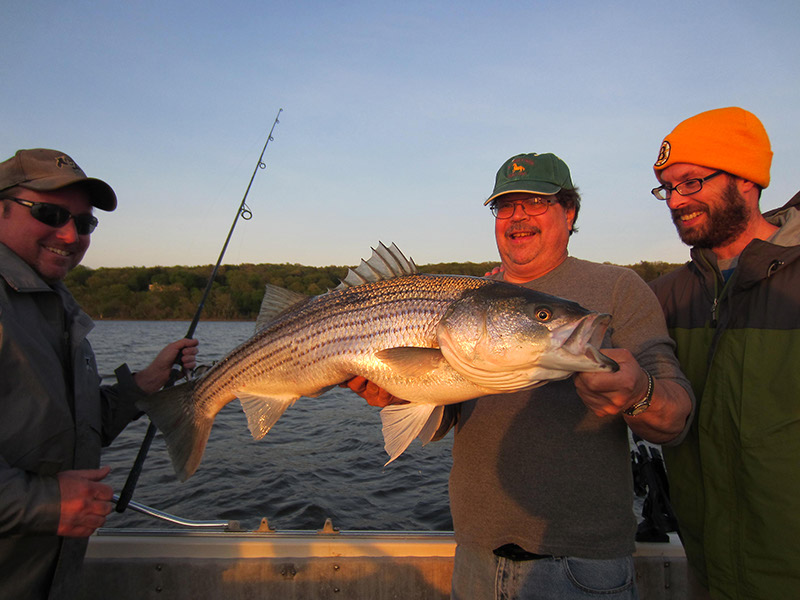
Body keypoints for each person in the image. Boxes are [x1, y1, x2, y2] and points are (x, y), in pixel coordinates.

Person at [344, 152, 694, 599]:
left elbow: (676, 417)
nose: (518, 217)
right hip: (475, 556)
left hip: (584, 564)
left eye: (537, 202)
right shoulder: (469, 296)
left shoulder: (619, 288)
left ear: (569, 213)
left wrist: (639, 394)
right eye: (505, 206)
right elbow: (444, 417)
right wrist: (395, 393)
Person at [0, 148, 199, 600]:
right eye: (49, 214)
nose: (70, 235)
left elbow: (67, 430)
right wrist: (46, 505)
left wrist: (145, 384)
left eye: (85, 223)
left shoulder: (56, 307)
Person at [648, 107, 800, 599]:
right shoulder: (664, 296)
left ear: (747, 181)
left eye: (691, 182)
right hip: (708, 569)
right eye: (667, 188)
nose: (676, 201)